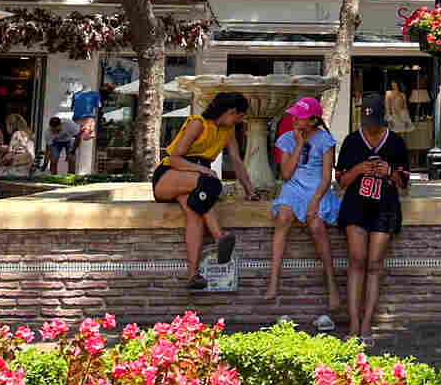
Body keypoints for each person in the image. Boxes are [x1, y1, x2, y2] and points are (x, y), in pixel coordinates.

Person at [153, 92, 260, 289]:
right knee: (210, 184)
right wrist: (202, 169)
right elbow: (175, 157)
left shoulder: (227, 130)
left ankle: (193, 275)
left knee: (195, 214)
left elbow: (236, 161)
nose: (241, 120)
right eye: (240, 115)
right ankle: (219, 236)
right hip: (169, 175)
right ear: (230, 111)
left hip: (193, 180)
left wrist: (249, 190)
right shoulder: (198, 124)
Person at [335, 95, 409, 345]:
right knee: (356, 260)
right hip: (355, 207)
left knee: (374, 263)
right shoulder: (352, 141)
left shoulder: (396, 143)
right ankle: (353, 323)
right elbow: (341, 181)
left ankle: (367, 324)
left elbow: (404, 183)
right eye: (366, 122)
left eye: (374, 122)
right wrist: (358, 169)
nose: (370, 127)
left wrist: (389, 172)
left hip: (384, 208)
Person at [265, 96, 341, 325]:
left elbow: (327, 177)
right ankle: (273, 279)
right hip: (293, 189)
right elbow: (286, 175)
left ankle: (331, 285)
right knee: (283, 217)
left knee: (316, 225)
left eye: (300, 115)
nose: (295, 118)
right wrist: (298, 145)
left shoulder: (325, 141)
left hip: (317, 189)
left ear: (313, 120)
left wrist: (314, 202)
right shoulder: (287, 139)